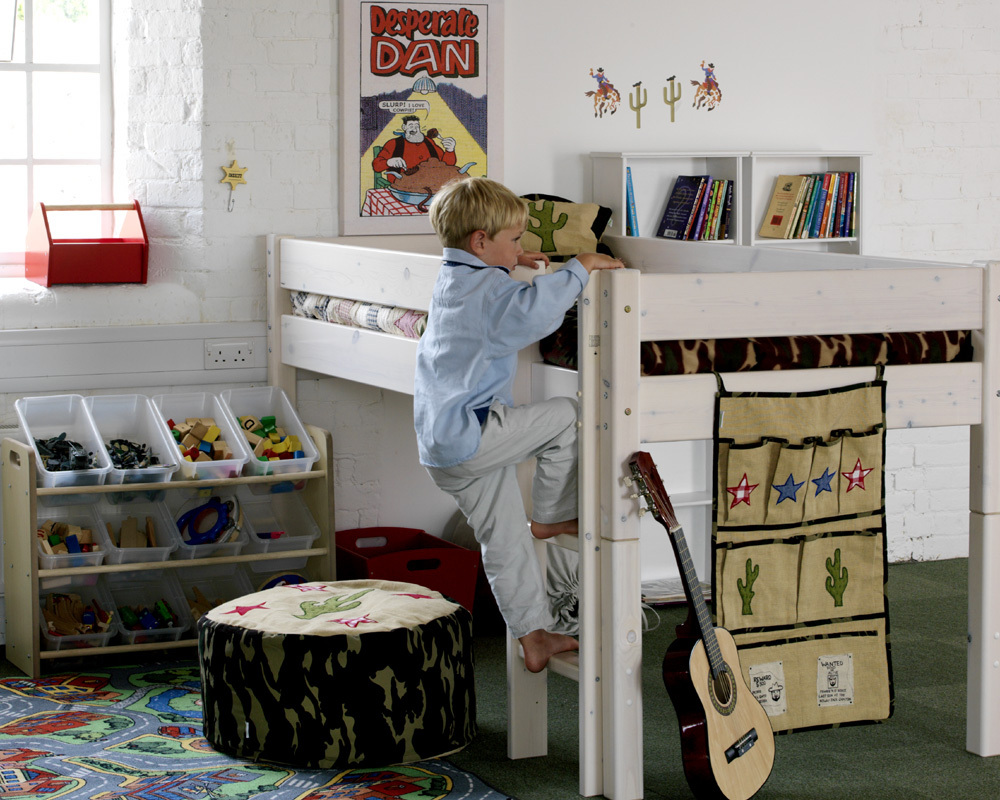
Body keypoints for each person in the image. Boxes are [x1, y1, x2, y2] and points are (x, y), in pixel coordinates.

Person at [413, 176, 624, 673]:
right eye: (513, 240)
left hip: (441, 447)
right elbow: (532, 316)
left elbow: (495, 295)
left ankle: (534, 636)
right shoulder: (490, 292)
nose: (523, 247)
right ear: (480, 242)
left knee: (504, 541)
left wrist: (512, 263)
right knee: (570, 415)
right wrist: (579, 269)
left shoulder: (455, 277)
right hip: (473, 434)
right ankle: (551, 513)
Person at [372, 115, 457, 179]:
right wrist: (389, 162)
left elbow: (446, 164)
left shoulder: (428, 141)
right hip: (402, 184)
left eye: (417, 126)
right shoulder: (393, 143)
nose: (415, 129)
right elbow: (377, 166)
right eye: (411, 126)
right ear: (404, 127)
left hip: (431, 181)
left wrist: (450, 151)